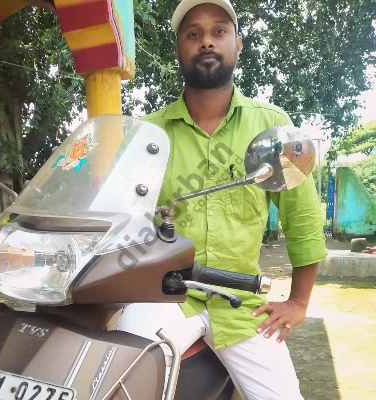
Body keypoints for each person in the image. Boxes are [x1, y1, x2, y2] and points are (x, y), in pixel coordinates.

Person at [118, 0, 327, 399]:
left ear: (238, 43)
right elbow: (118, 214)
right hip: (164, 297)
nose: (207, 42)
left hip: (240, 304)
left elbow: (302, 219)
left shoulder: (272, 126)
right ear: (179, 49)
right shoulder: (148, 134)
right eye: (193, 34)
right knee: (115, 381)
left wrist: (298, 302)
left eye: (218, 31)